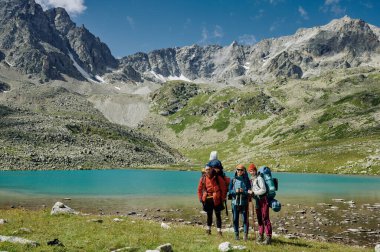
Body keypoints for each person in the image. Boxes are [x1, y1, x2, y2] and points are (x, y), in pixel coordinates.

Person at [197, 164, 227, 236]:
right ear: (205, 170)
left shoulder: (218, 177)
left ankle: (219, 232)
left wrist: (222, 198)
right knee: (209, 215)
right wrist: (200, 198)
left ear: (211, 169)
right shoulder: (203, 179)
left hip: (217, 198)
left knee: (218, 215)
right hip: (207, 199)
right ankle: (208, 230)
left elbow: (223, 189)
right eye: (206, 170)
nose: (208, 171)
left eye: (209, 169)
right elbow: (199, 190)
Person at [247, 163, 272, 245]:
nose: (252, 172)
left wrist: (254, 192)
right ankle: (261, 235)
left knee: (265, 218)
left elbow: (263, 190)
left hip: (263, 200)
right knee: (259, 218)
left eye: (253, 170)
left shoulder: (259, 178)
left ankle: (268, 237)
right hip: (257, 201)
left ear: (255, 170)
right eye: (250, 171)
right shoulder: (252, 179)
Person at [229, 164, 251, 241]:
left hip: (244, 202)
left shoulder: (247, 180)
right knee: (235, 219)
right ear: (236, 170)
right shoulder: (233, 179)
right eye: (238, 170)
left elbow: (249, 190)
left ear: (244, 171)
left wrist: (244, 191)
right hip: (235, 202)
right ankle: (236, 235)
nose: (239, 171)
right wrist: (235, 191)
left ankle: (245, 235)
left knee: (245, 219)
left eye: (241, 170)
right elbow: (230, 191)